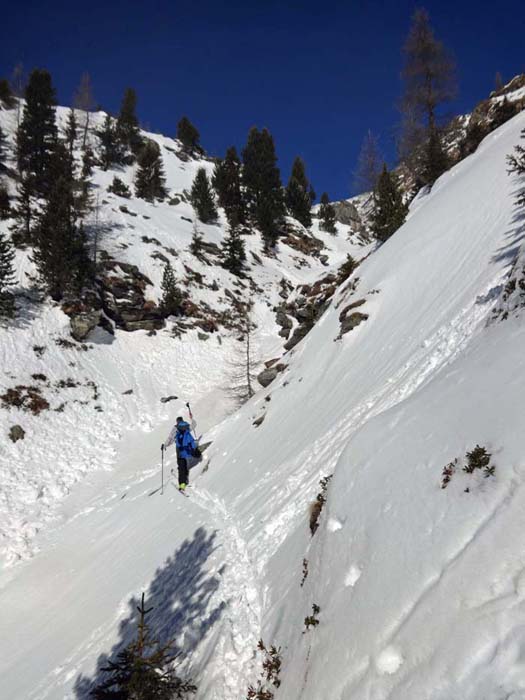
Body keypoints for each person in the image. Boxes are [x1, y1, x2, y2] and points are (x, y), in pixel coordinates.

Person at [162, 418, 199, 491]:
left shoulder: (176, 428)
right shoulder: (187, 426)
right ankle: (186, 476)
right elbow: (194, 425)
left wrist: (165, 445)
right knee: (185, 462)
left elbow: (170, 439)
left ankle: (182, 484)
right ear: (182, 420)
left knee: (181, 465)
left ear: (177, 421)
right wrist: (192, 418)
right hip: (187, 448)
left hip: (180, 449)